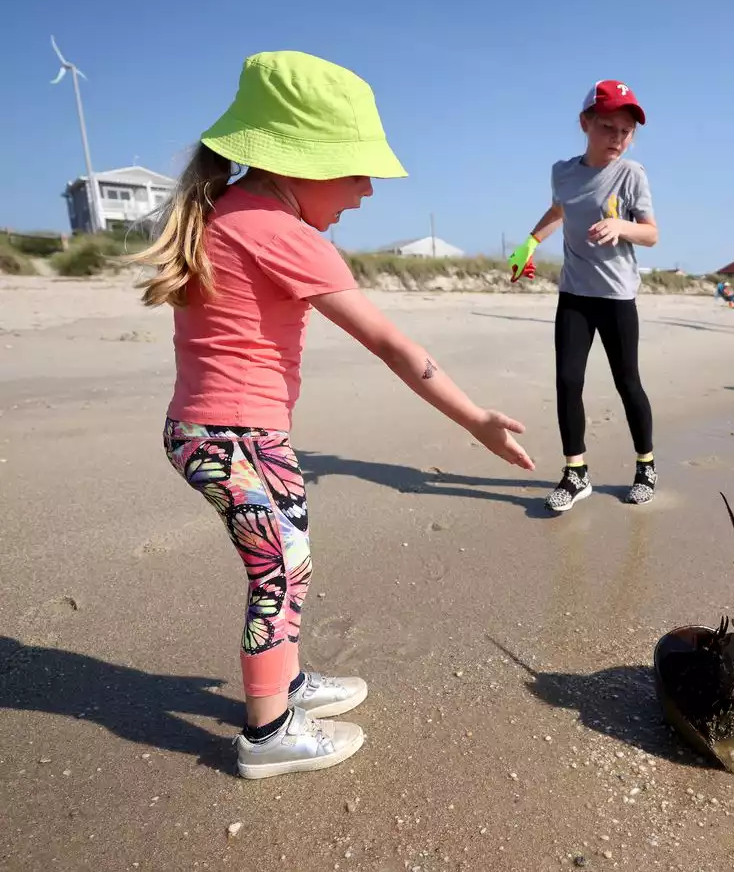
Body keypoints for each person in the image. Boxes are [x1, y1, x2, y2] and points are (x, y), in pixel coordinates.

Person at [130, 51, 534, 779]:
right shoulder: (280, 232)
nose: (368, 190)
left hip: (230, 434)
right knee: (279, 571)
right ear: (302, 163)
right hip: (231, 437)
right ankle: (269, 732)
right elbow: (391, 343)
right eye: (355, 170)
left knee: (290, 563)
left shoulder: (233, 211)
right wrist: (476, 419)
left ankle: (281, 681)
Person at [506, 79, 659, 512]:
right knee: (568, 381)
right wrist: (529, 243)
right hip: (574, 293)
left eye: (626, 132)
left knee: (627, 382)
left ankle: (645, 466)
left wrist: (621, 227)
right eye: (608, 127)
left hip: (617, 296)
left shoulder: (631, 174)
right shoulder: (563, 172)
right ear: (585, 123)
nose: (618, 139)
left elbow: (651, 233)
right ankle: (576, 473)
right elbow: (560, 209)